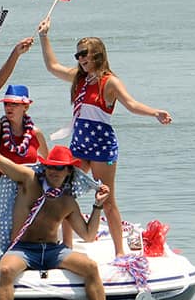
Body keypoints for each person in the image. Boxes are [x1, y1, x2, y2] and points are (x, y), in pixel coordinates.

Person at [0, 129, 121, 300]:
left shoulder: (67, 200)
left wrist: (98, 205)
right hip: (23, 248)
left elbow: (87, 235)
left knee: (91, 267)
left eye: (59, 168)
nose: (54, 172)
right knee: (6, 269)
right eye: (50, 167)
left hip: (52, 251)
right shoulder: (29, 181)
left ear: (68, 171)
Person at [37, 17, 172, 257]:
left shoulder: (110, 82)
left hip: (101, 145)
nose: (80, 59)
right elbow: (52, 67)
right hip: (79, 143)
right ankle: (66, 247)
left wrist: (155, 113)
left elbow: (131, 104)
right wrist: (44, 36)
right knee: (66, 192)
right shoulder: (79, 78)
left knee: (108, 199)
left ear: (97, 55)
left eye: (84, 55)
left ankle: (119, 252)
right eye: (77, 55)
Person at [0, 74, 49, 167]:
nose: (8, 107)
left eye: (14, 104)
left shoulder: (35, 133)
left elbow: (48, 162)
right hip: (5, 180)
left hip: (32, 181)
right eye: (6, 104)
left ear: (25, 107)